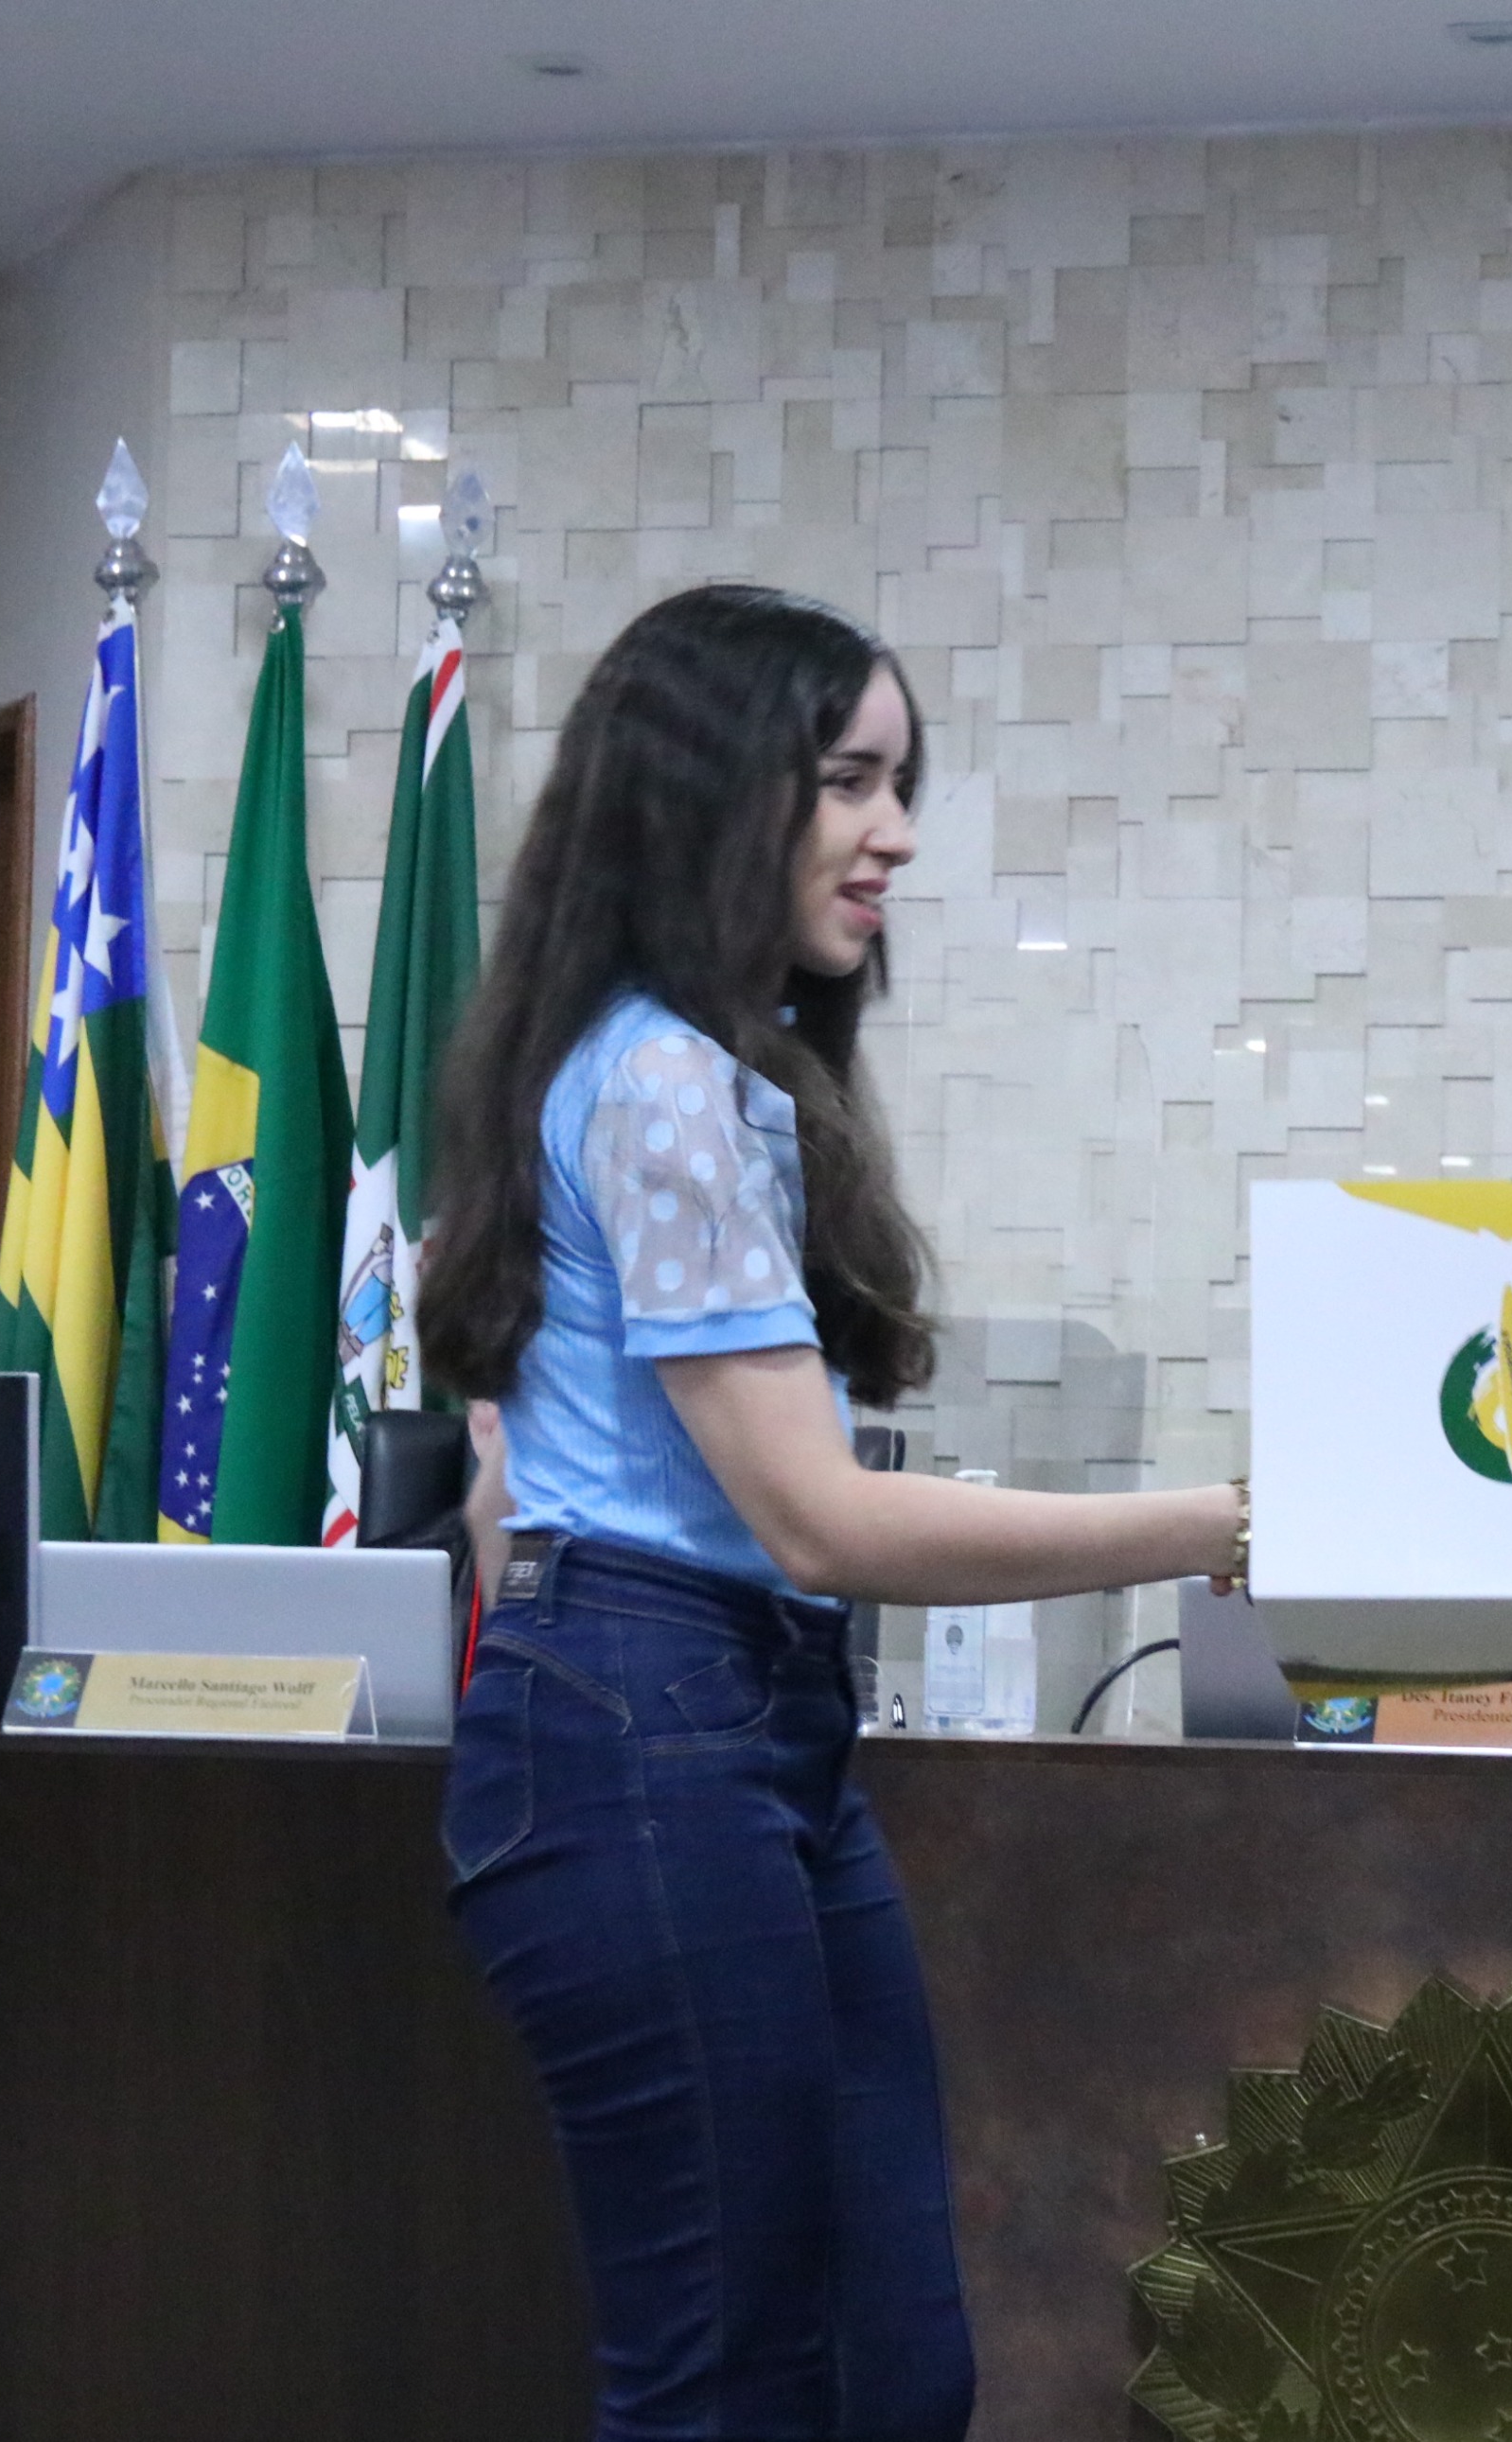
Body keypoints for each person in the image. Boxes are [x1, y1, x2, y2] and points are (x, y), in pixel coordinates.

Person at [415, 585, 1241, 2441]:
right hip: (648, 1725)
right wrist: (1226, 1523)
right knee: (736, 2391)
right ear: (716, 791)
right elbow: (820, 1524)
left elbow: (504, 1484)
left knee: (887, 2368)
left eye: (900, 783)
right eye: (850, 781)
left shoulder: (663, 1067)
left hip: (719, 1720)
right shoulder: (657, 1080)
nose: (898, 835)